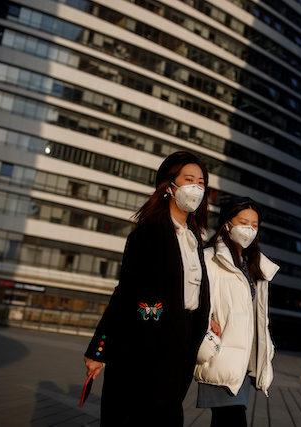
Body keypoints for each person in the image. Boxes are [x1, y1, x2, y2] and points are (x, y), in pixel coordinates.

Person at [83, 151, 211, 426]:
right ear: (169, 186)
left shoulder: (194, 239)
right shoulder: (148, 234)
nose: (196, 188)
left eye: (201, 183)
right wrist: (98, 350)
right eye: (189, 180)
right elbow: (125, 294)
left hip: (182, 343)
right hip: (147, 344)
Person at [194, 197, 279, 427]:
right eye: (243, 222)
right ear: (227, 224)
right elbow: (196, 299)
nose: (249, 229)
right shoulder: (210, 258)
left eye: (254, 225)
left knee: (225, 420)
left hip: (243, 360)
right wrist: (207, 319)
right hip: (220, 355)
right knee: (231, 419)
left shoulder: (252, 263)